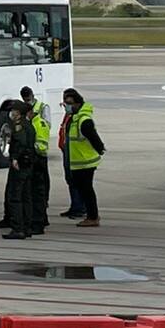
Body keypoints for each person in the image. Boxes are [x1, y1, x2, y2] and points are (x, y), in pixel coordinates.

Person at [63, 88, 105, 227]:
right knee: (84, 189)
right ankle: (92, 215)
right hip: (79, 161)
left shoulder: (83, 120)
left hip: (85, 162)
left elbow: (94, 138)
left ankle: (92, 216)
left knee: (87, 190)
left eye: (69, 103)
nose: (67, 106)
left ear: (78, 103)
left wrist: (100, 149)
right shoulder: (75, 118)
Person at [3, 102, 36, 240]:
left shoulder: (19, 126)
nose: (12, 113)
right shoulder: (29, 125)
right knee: (26, 196)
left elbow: (20, 142)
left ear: (18, 113)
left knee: (15, 196)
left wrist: (15, 158)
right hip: (28, 164)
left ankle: (18, 228)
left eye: (14, 111)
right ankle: (27, 227)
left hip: (20, 165)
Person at [23, 88, 51, 235]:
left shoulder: (39, 120)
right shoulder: (31, 122)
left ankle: (39, 221)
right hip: (36, 157)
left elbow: (41, 142)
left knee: (39, 191)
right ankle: (40, 218)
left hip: (38, 158)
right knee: (36, 192)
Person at [57, 96, 87, 221]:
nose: (65, 106)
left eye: (68, 104)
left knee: (77, 182)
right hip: (67, 151)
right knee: (70, 180)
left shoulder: (79, 118)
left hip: (76, 155)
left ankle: (80, 208)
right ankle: (75, 206)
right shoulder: (69, 116)